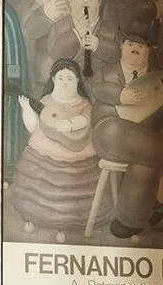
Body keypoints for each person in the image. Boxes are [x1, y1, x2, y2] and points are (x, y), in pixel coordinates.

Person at [88, 27, 163, 240]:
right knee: (114, 130)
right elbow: (94, 89)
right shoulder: (105, 71)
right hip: (111, 137)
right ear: (120, 46)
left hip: (149, 141)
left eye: (141, 46)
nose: (135, 49)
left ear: (149, 50)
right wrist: (120, 95)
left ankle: (129, 221)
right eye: (130, 44)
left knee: (147, 161)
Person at [9, 59, 100, 239]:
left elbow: (87, 118)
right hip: (43, 154)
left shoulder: (83, 103)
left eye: (70, 78)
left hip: (78, 154)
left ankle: (70, 221)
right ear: (53, 80)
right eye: (60, 78)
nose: (65, 82)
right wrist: (26, 109)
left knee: (74, 189)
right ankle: (35, 216)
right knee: (39, 188)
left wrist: (71, 124)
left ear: (78, 81)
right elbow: (34, 127)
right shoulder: (45, 101)